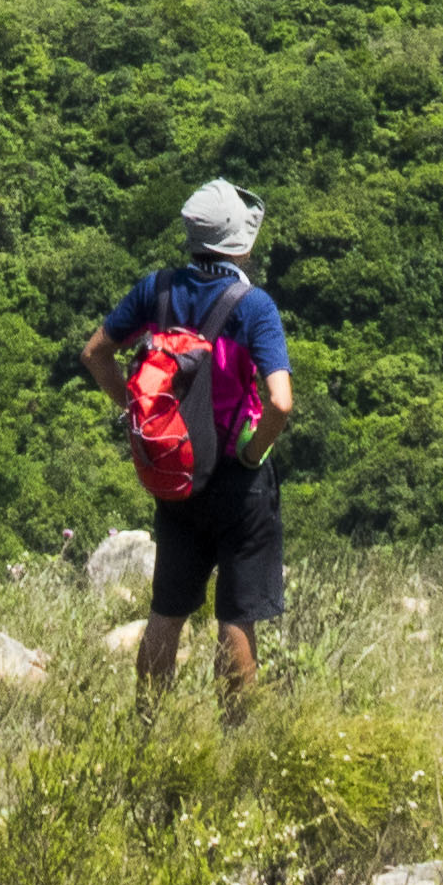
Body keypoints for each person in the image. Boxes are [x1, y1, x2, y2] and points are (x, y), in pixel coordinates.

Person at [79, 177, 294, 713]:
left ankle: (148, 725)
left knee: (167, 611)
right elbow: (282, 403)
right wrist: (252, 453)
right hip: (236, 480)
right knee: (236, 615)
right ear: (239, 244)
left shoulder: (159, 289)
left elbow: (95, 354)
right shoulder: (254, 305)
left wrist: (134, 411)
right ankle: (235, 734)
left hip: (176, 474)